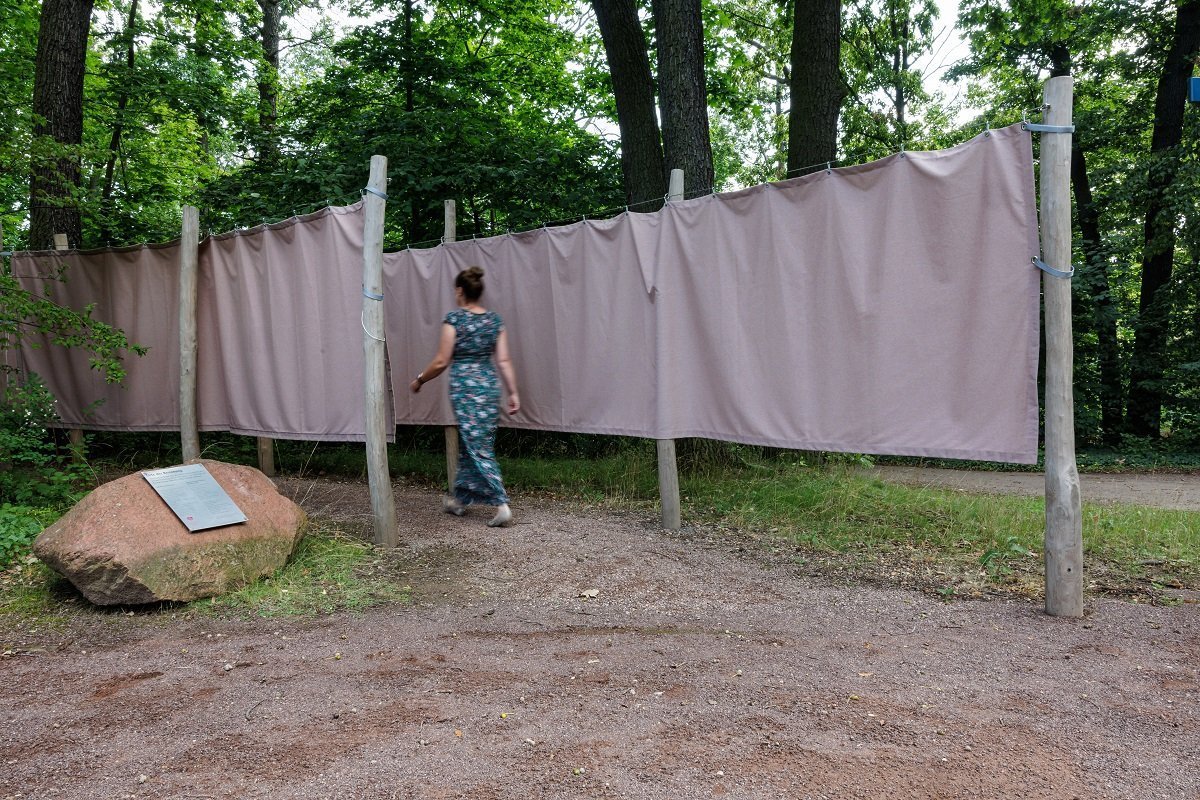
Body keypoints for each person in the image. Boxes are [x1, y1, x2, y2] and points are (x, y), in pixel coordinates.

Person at [410, 266, 520, 527]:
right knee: (474, 443)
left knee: (477, 446)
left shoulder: (455, 320)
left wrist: (420, 379)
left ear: (460, 291)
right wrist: (513, 391)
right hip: (489, 388)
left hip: (466, 390)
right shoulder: (494, 321)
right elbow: (503, 360)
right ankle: (459, 500)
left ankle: (501, 503)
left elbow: (441, 360)